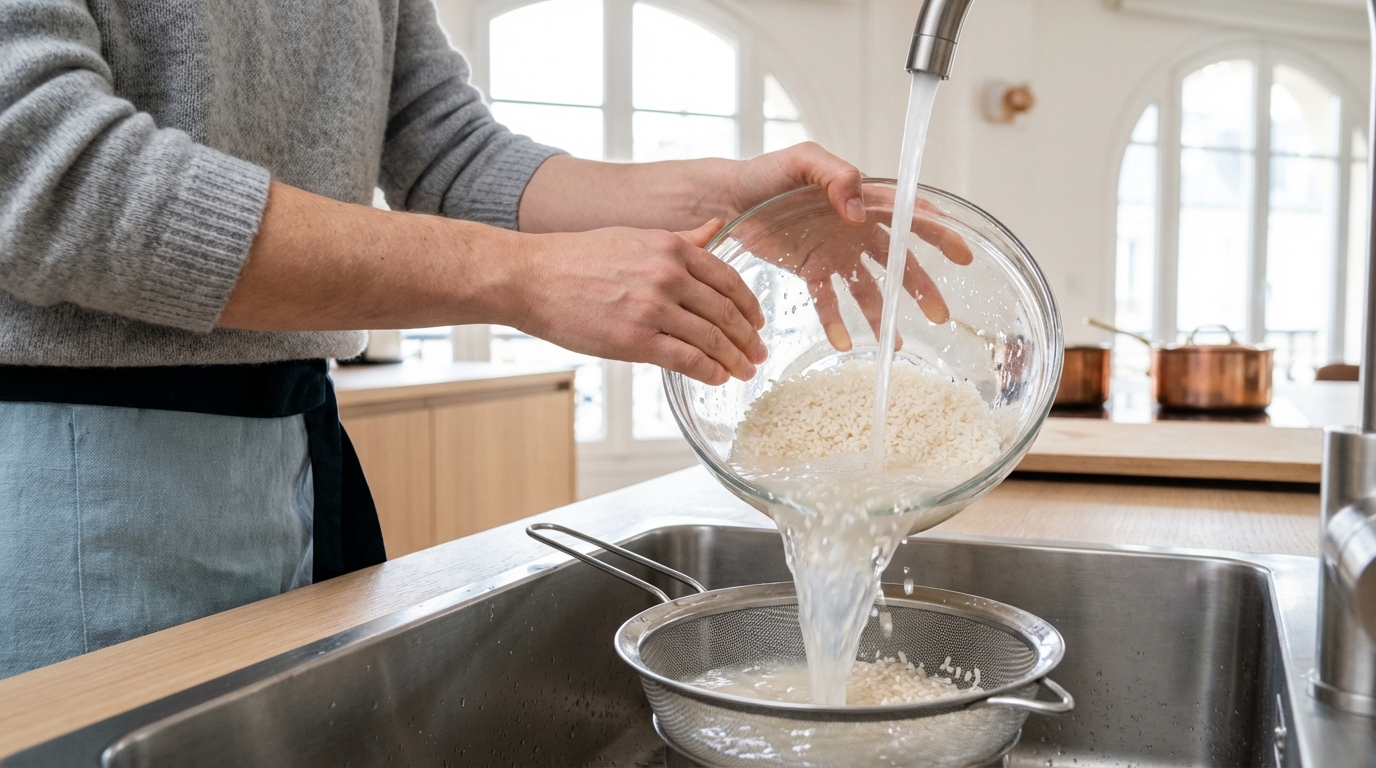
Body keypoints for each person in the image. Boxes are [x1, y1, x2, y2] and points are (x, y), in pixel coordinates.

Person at [0, 0, 964, 680]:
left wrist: (723, 198)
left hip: (285, 453)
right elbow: (53, 179)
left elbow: (442, 147)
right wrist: (519, 278)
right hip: (71, 476)